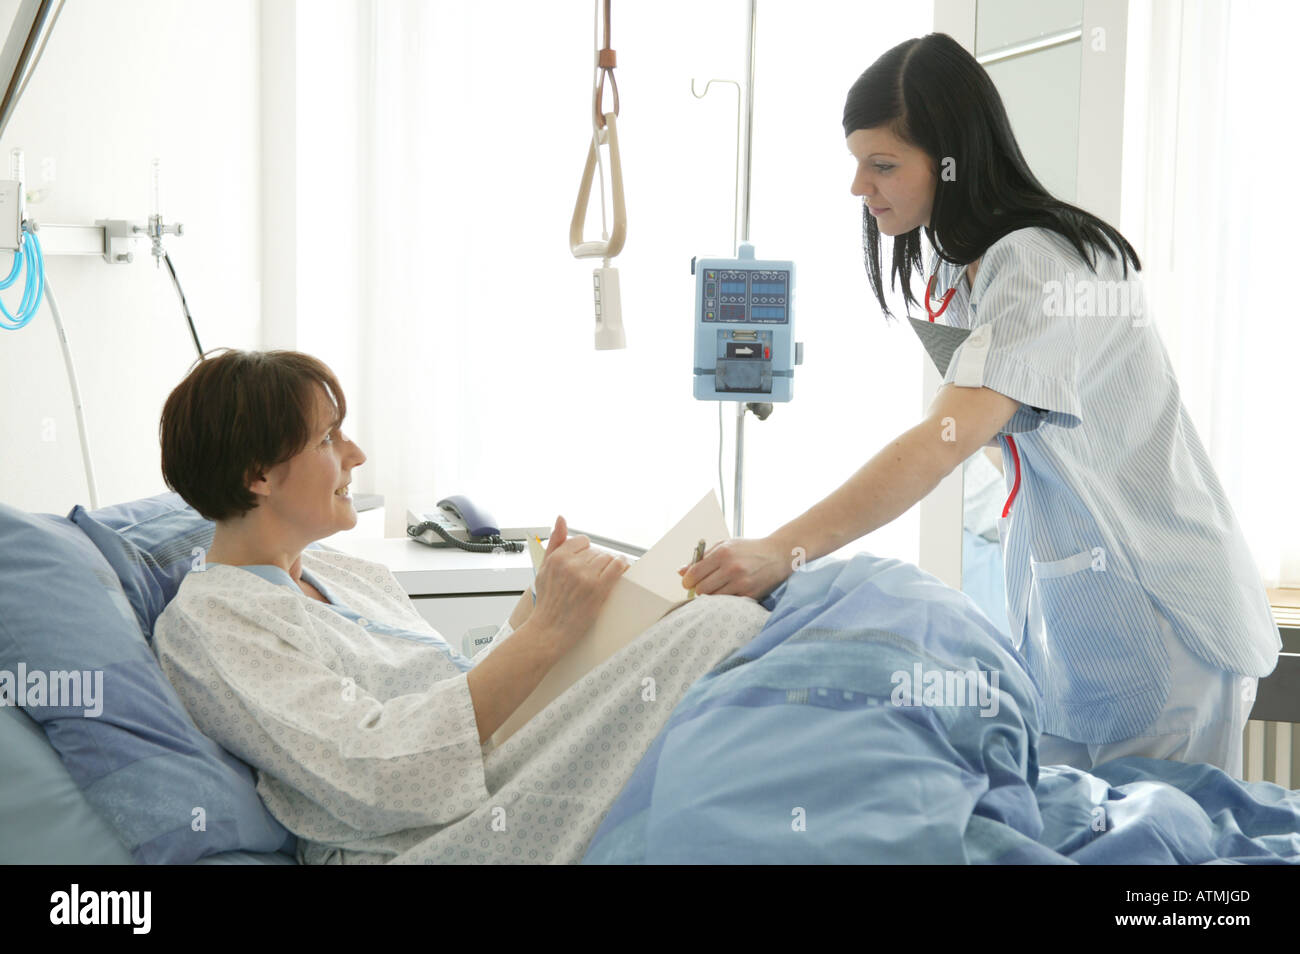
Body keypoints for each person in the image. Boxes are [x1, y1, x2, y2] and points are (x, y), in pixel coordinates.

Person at [679, 33, 1280, 777]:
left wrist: (782, 549)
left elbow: (944, 440)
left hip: (1165, 615)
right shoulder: (967, 272)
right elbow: (1009, 452)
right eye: (858, 162)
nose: (859, 187)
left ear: (952, 156)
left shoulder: (1042, 260)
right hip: (1083, 629)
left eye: (884, 164)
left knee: (1160, 866)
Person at [152, 348, 770, 863]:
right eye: (328, 438)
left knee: (720, 614)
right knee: (723, 627)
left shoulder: (352, 575)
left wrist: (537, 610)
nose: (356, 456)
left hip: (495, 778)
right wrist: (547, 633)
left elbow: (457, 693)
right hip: (417, 842)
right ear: (258, 476)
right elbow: (376, 773)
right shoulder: (211, 624)